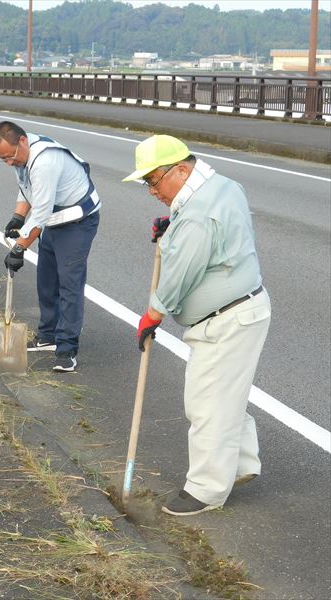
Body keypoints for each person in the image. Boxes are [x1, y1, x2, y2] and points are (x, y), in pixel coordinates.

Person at [123, 134, 271, 517]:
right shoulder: (220, 186)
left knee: (207, 404)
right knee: (224, 395)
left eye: (155, 181)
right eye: (148, 183)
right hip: (241, 309)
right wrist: (171, 226)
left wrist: (152, 316)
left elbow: (179, 276)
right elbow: (203, 236)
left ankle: (206, 490)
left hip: (228, 318)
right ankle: (239, 463)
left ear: (182, 170)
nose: (152, 190)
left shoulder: (199, 214)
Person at [0, 121, 100, 373]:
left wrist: (19, 248)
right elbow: (26, 189)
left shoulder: (45, 162)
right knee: (47, 279)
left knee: (69, 282)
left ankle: (67, 349)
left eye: (9, 157)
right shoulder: (21, 158)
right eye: (2, 159)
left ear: (22, 141)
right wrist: (18, 218)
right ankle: (48, 336)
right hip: (53, 219)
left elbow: (40, 213)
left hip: (77, 220)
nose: (8, 162)